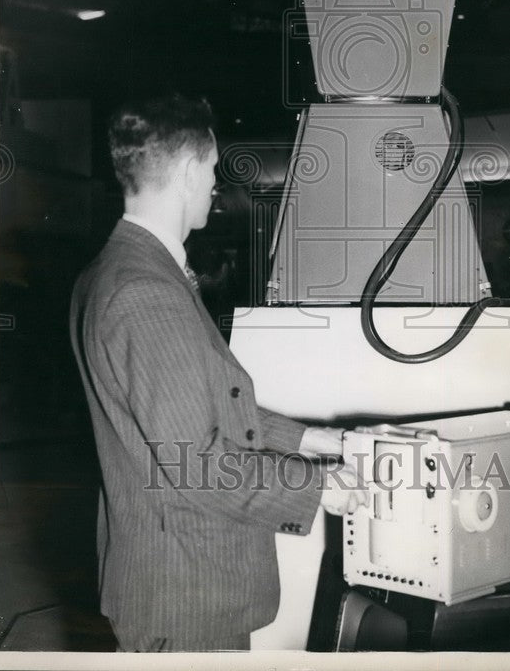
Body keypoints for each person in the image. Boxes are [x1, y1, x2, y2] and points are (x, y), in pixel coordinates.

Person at [70, 94, 366, 653]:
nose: (214, 185)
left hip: (171, 579)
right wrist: (319, 486)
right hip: (186, 596)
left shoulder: (115, 270)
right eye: (210, 169)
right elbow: (198, 464)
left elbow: (195, 407)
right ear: (186, 171)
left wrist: (309, 438)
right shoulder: (145, 293)